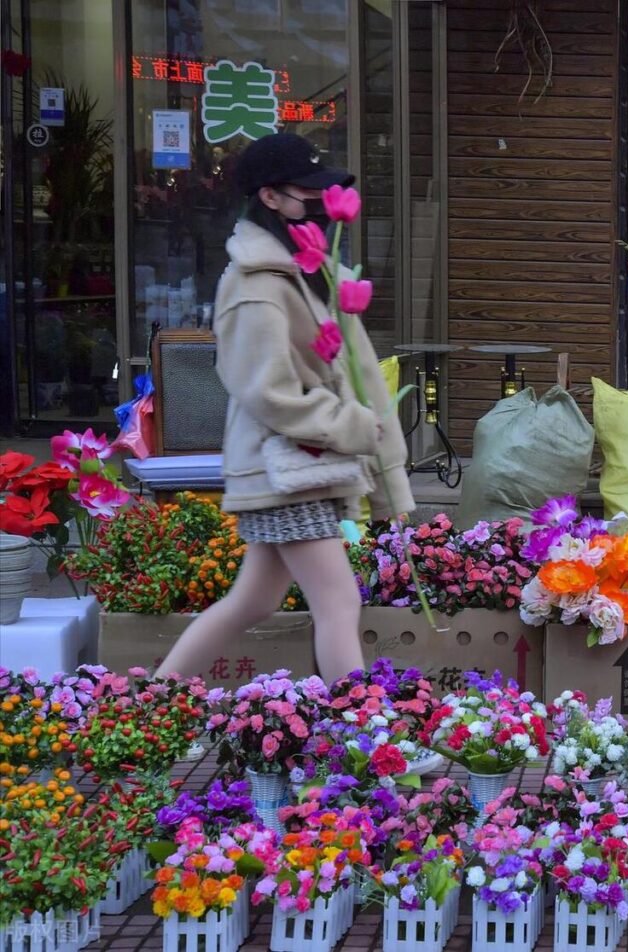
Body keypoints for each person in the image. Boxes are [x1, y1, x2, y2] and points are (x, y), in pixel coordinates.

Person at [156, 133, 413, 684]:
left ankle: (153, 698)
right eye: (307, 191)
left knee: (253, 601)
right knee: (338, 603)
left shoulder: (307, 273)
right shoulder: (256, 284)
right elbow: (265, 390)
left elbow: (353, 370)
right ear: (269, 198)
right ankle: (361, 736)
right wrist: (349, 426)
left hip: (299, 466)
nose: (319, 202)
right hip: (285, 468)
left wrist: (378, 453)